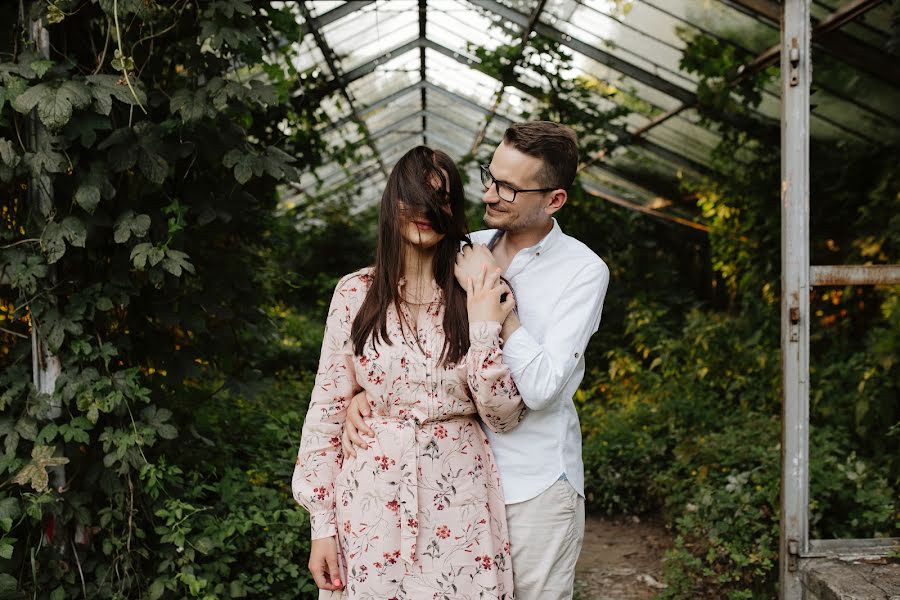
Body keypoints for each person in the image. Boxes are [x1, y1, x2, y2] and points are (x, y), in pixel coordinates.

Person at [342, 122, 610, 599]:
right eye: (490, 176)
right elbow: (410, 335)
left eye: (509, 187)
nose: (490, 193)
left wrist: (496, 307)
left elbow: (544, 386)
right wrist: (364, 394)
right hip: (454, 484)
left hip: (533, 483)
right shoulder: (466, 245)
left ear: (554, 200)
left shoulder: (583, 271)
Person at [291, 145, 525, 599]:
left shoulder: (480, 290)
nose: (425, 210)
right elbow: (326, 412)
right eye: (414, 195)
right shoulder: (355, 294)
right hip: (371, 499)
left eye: (440, 199)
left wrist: (482, 325)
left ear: (454, 210)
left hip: (459, 496)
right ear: (392, 200)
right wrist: (321, 524)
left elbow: (503, 415)